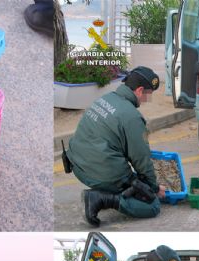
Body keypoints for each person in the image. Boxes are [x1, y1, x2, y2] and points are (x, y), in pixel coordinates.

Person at [64, 66, 166, 227]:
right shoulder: (132, 117)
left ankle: (103, 192)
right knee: (152, 206)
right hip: (98, 173)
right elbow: (141, 159)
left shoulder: (105, 99)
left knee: (133, 180)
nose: (147, 100)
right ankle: (102, 198)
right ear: (140, 90)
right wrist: (153, 188)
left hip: (77, 166)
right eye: (148, 95)